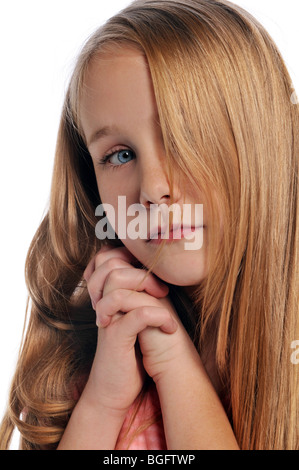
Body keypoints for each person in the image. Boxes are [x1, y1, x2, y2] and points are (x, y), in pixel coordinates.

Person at [0, 0, 298, 450]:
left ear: (263, 142)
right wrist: (102, 403)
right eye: (120, 155)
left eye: (185, 137)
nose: (154, 188)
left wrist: (178, 371)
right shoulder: (104, 366)